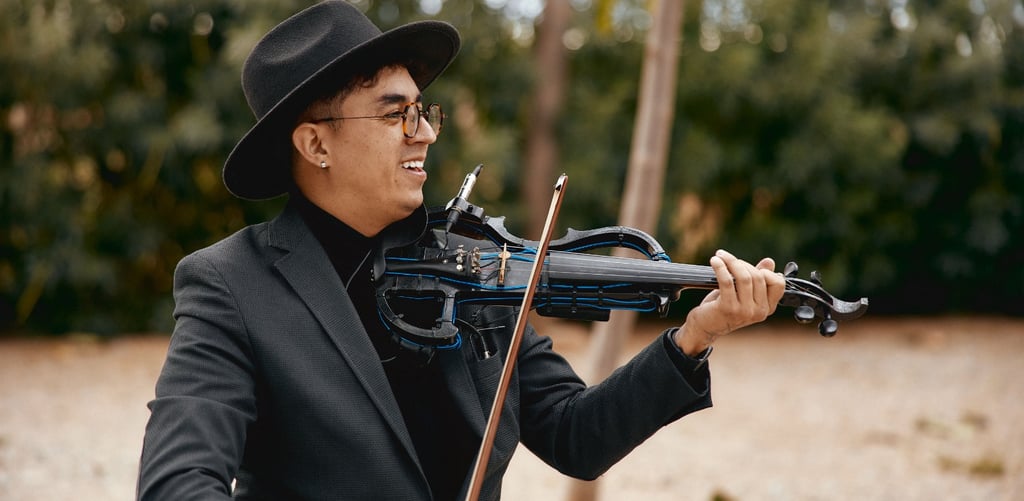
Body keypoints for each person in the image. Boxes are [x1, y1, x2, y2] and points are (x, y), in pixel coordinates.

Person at [136, 2, 786, 500]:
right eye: (396, 116)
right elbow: (177, 483)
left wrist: (695, 333)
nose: (423, 135)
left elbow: (575, 434)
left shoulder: (472, 268)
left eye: (425, 113)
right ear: (315, 145)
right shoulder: (230, 285)